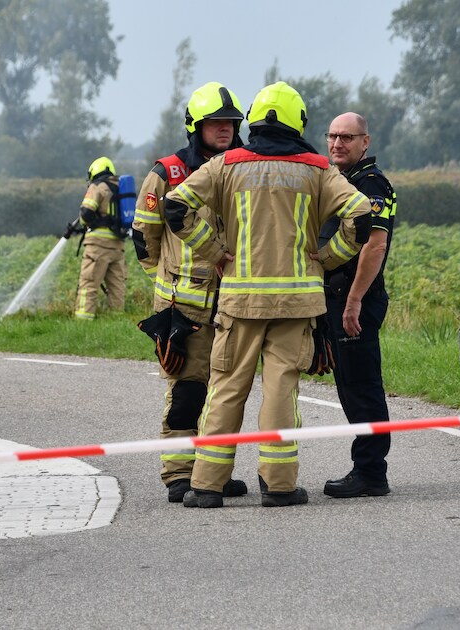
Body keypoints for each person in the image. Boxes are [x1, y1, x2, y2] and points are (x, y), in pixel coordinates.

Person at [164, 81, 371, 508]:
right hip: (296, 305)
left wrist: (215, 252)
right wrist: (330, 257)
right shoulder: (317, 168)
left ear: (254, 120)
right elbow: (360, 214)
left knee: (225, 389)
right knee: (281, 392)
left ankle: (206, 486)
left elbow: (175, 207)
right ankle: (278, 487)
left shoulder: (227, 164)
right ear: (299, 122)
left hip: (238, 301)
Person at [131, 82, 248, 503]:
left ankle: (213, 472)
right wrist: (168, 288)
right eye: (215, 123)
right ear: (194, 127)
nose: (225, 129)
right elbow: (144, 235)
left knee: (225, 393)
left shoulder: (241, 168)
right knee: (187, 391)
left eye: (231, 123)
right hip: (186, 310)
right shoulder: (168, 172)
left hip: (234, 303)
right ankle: (179, 474)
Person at [315, 113, 398, 498]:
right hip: (336, 296)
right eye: (332, 136)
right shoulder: (337, 181)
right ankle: (366, 467)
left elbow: (374, 245)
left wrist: (353, 302)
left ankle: (370, 472)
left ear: (365, 141)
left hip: (356, 298)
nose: (337, 144)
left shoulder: (371, 184)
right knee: (349, 385)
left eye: (347, 137)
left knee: (362, 386)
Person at [67, 156, 127, 319]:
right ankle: (117, 320)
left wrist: (86, 223)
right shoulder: (121, 188)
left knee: (89, 283)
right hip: (118, 246)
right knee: (117, 286)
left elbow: (86, 214)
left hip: (98, 246)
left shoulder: (97, 187)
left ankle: (83, 320)